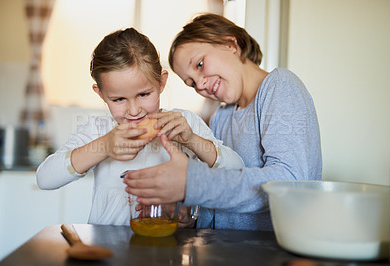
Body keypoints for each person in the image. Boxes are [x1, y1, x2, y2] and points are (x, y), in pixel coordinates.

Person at [123, 13, 322, 231]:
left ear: (230, 44)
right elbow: (219, 200)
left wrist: (192, 183)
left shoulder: (280, 87)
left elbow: (289, 182)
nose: (200, 84)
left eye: (199, 64)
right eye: (191, 83)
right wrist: (188, 213)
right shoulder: (222, 116)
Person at [36, 27, 244, 226]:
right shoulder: (97, 130)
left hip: (171, 247)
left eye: (144, 94)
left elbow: (237, 169)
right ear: (100, 94)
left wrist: (192, 140)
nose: (134, 111)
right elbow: (45, 178)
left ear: (161, 83)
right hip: (110, 251)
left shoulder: (184, 123)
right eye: (118, 99)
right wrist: (105, 146)